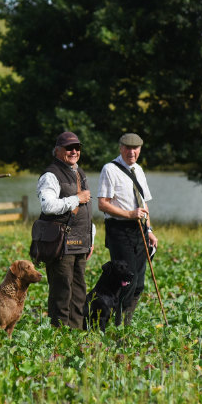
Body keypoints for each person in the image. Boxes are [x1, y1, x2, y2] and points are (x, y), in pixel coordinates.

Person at [97, 133, 158, 326]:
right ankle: (115, 325)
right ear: (120, 148)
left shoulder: (138, 170)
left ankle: (126, 324)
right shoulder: (109, 169)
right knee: (126, 282)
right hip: (119, 230)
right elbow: (102, 204)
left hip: (139, 230)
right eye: (127, 148)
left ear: (139, 150)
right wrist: (129, 214)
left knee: (139, 283)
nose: (132, 152)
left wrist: (149, 230)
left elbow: (144, 204)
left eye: (135, 148)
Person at [36, 131, 94, 329]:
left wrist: (90, 238)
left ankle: (76, 337)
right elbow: (48, 206)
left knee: (79, 293)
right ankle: (59, 340)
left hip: (80, 243)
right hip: (61, 243)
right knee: (62, 293)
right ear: (58, 150)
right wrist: (76, 199)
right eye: (69, 148)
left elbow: (87, 210)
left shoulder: (80, 173)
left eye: (77, 147)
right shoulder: (50, 175)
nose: (74, 151)